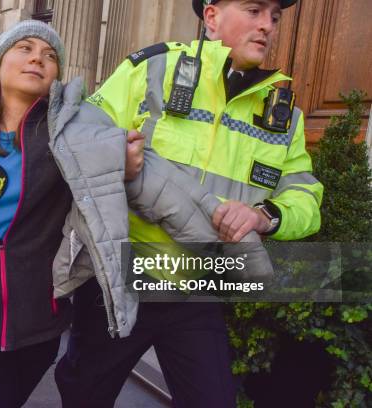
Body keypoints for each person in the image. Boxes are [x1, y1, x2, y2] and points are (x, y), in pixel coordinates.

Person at [55, 0, 324, 407]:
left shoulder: (284, 114)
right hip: (124, 277)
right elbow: (82, 132)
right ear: (212, 17)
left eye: (275, 16)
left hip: (198, 288)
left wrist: (265, 216)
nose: (267, 25)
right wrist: (115, 156)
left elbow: (306, 197)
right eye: (254, 10)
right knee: (84, 394)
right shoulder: (152, 68)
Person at [0, 19, 147, 407]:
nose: (38, 58)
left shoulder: (72, 135)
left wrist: (126, 165)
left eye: (50, 56)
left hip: (41, 324)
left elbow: (136, 175)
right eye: (25, 48)